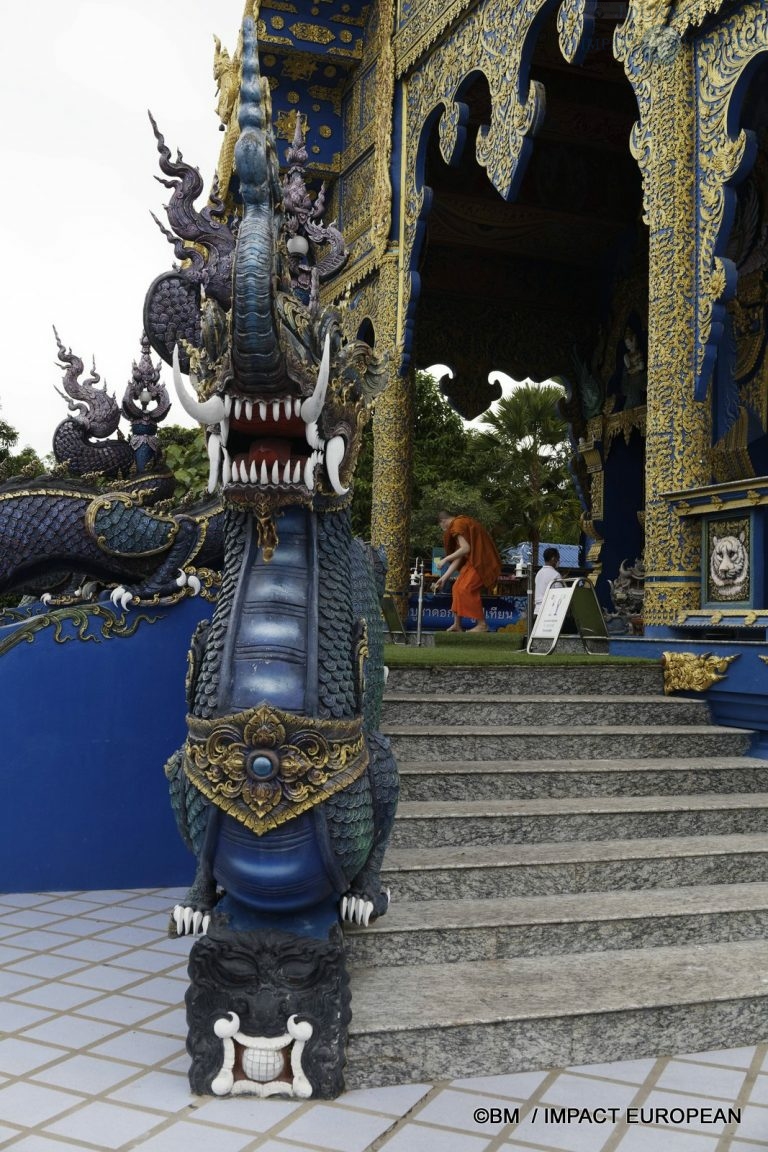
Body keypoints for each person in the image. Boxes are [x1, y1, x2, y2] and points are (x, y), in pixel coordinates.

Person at [434, 510, 501, 633]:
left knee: (465, 588)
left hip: (482, 561)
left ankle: (481, 624)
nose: (442, 529)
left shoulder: (457, 525)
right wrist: (445, 577)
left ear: (442, 522)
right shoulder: (461, 523)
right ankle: (457, 624)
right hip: (474, 561)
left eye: (440, 526)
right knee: (456, 587)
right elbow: (460, 556)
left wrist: (445, 560)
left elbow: (465, 549)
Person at [534, 547, 561, 615]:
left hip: (537, 610)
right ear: (553, 558)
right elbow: (559, 595)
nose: (558, 561)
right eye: (558, 558)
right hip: (549, 611)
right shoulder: (556, 575)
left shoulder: (539, 573)